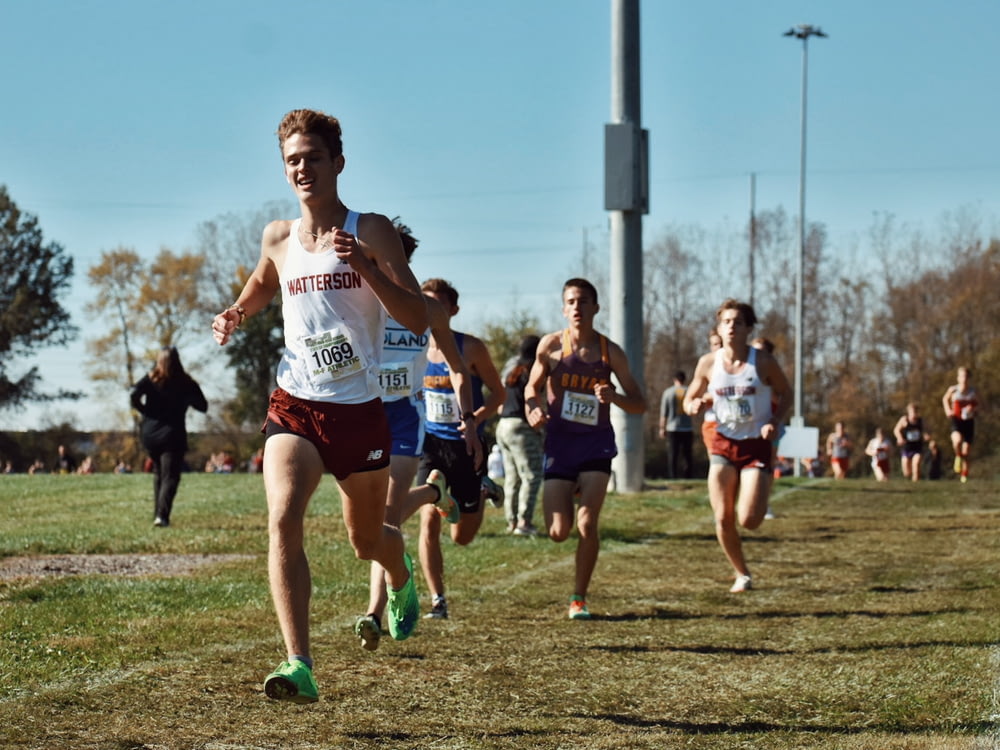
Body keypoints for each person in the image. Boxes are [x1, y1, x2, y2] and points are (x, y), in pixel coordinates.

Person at [210, 108, 429, 704]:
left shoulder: (372, 229)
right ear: (285, 171)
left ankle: (400, 572)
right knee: (283, 517)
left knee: (366, 543)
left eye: (312, 157)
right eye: (292, 160)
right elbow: (263, 281)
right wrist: (237, 311)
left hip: (359, 410)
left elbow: (417, 315)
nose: (302, 168)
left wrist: (363, 265)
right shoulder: (278, 236)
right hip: (296, 403)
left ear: (338, 161)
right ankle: (299, 663)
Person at [355, 222, 479, 652]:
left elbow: (460, 369)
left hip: (406, 418)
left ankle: (374, 612)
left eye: (384, 258)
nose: (377, 266)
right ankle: (433, 493)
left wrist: (468, 418)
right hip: (363, 413)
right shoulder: (357, 299)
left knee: (385, 520)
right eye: (371, 259)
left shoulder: (428, 310)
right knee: (371, 526)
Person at [524, 278, 647, 619]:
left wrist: (615, 397)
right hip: (560, 446)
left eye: (583, 301)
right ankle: (572, 489)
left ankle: (579, 598)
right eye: (571, 302)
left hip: (596, 446)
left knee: (588, 524)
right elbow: (530, 390)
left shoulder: (611, 353)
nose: (577, 307)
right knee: (558, 532)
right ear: (564, 309)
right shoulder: (550, 347)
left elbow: (640, 404)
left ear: (595, 307)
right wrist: (533, 408)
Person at [684, 299, 792, 593]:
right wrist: (692, 403)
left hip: (756, 443)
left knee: (750, 520)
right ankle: (741, 573)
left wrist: (776, 420)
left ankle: (762, 485)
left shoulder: (763, 362)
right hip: (722, 442)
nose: (731, 327)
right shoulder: (708, 362)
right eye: (726, 322)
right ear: (719, 328)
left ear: (748, 328)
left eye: (738, 322)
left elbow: (786, 394)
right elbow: (690, 396)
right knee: (722, 516)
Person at [413, 277, 505, 620]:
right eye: (424, 303)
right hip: (429, 442)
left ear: (452, 310)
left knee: (461, 537)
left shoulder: (472, 348)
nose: (429, 310)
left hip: (466, 444)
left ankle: (481, 490)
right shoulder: (414, 347)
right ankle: (438, 600)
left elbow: (499, 394)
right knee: (428, 520)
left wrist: (474, 420)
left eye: (436, 304)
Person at [130, 347, 208, 527]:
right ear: (178, 360)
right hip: (172, 435)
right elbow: (203, 406)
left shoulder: (151, 379)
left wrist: (146, 412)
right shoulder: (186, 382)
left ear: (159, 361)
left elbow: (133, 395)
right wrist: (186, 400)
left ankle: (158, 514)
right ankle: (162, 516)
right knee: (171, 476)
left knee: (159, 473)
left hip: (150, 433)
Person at [495, 333, 544, 535]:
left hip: (503, 425)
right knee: (532, 475)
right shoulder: (533, 371)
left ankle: (512, 522)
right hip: (521, 428)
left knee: (512, 478)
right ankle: (525, 523)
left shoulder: (511, 369)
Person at [941, 366, 980, 483]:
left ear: (969, 378)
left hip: (969, 421)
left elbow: (980, 405)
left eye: (966, 376)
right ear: (958, 378)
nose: (964, 379)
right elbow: (944, 399)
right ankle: (958, 456)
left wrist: (972, 408)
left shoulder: (973, 392)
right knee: (957, 441)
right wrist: (948, 410)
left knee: (966, 450)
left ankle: (964, 474)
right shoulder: (953, 390)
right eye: (962, 376)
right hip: (956, 420)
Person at [659, 370, 694, 479]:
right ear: (684, 379)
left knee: (673, 454)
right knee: (687, 455)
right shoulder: (690, 391)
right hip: (687, 427)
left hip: (672, 428)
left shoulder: (668, 392)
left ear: (674, 379)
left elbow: (664, 413)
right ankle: (688, 476)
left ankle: (673, 476)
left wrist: (662, 428)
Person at [893, 402, 930, 482]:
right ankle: (909, 479)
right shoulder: (904, 420)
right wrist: (899, 438)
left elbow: (926, 430)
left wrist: (926, 435)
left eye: (915, 412)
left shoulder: (921, 421)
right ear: (908, 412)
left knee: (916, 465)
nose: (914, 414)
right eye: (912, 412)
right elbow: (896, 430)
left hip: (917, 447)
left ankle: (916, 484)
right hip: (906, 447)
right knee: (906, 472)